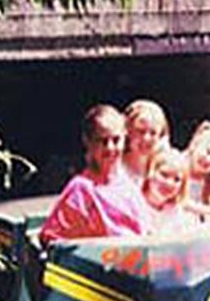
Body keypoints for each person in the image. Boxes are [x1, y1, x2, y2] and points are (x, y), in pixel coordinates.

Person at [39, 105, 146, 244]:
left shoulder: (130, 186)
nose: (110, 148)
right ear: (88, 142)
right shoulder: (81, 189)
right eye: (102, 141)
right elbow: (51, 239)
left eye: (116, 140)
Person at [142, 145, 192, 235]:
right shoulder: (134, 204)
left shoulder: (176, 212)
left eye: (176, 179)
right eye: (164, 175)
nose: (169, 183)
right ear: (150, 172)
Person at [122, 99, 171, 186]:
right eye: (140, 131)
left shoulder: (165, 172)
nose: (146, 138)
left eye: (153, 133)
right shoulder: (112, 166)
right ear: (128, 131)